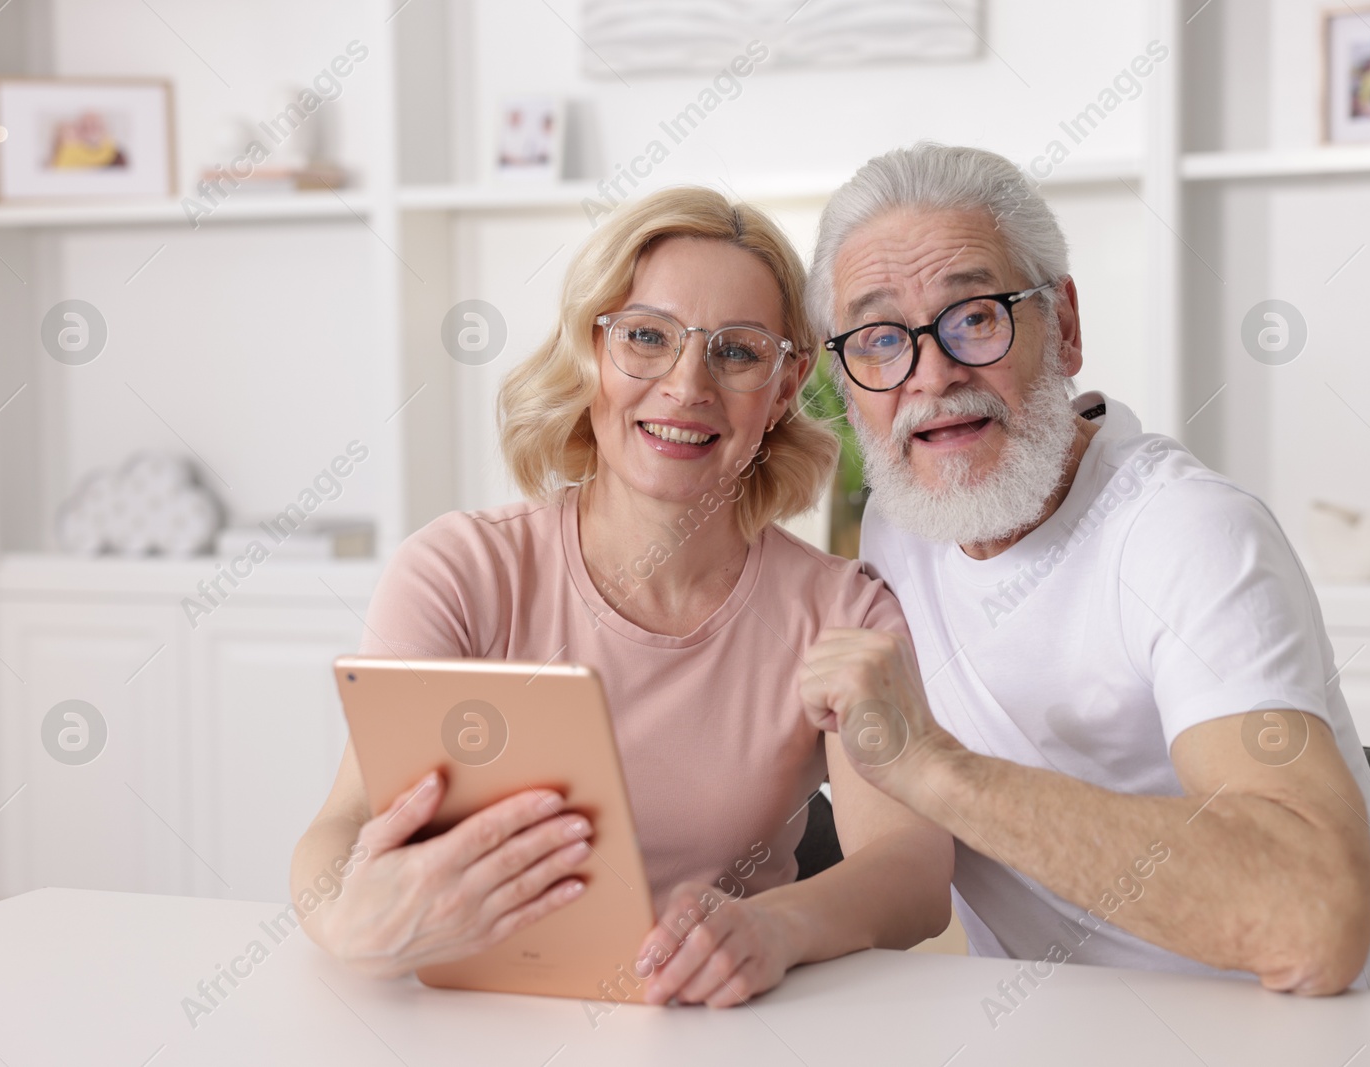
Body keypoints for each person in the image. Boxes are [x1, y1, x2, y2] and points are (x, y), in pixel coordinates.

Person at [291, 186, 952, 1008]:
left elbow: (914, 871)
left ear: (784, 388)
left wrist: (776, 926)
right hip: (469, 1024)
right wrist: (345, 920)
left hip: (713, 1032)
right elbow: (341, 827)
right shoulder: (460, 570)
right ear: (590, 354)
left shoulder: (842, 611)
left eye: (738, 352)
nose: (686, 386)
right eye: (646, 337)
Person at [796, 143, 1370, 996]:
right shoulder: (899, 526)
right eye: (878, 340)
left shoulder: (1186, 532)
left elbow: (1314, 921)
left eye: (974, 315)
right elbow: (902, 875)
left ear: (1066, 325)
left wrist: (936, 768)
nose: (931, 375)